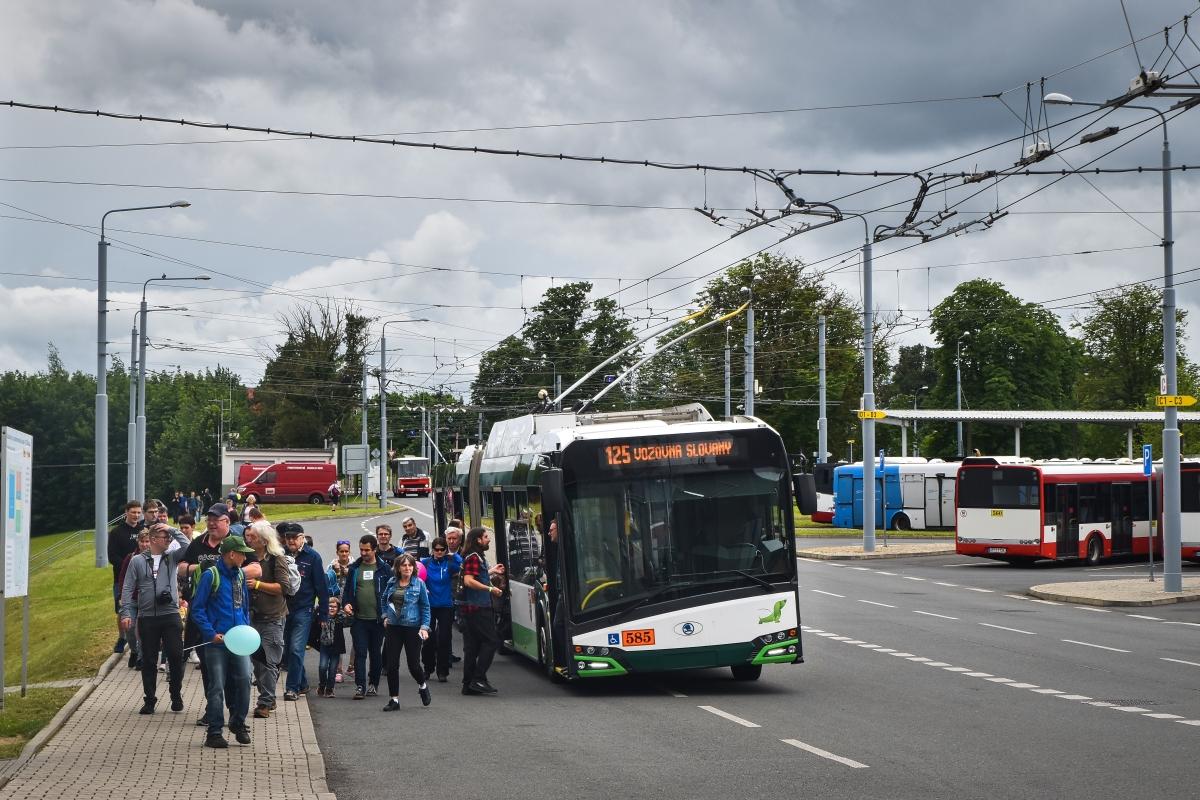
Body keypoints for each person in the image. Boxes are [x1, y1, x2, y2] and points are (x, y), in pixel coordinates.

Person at [181, 503, 261, 721]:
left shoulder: (237, 546)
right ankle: (214, 720)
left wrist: (230, 573)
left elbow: (257, 569)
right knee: (212, 676)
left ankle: (236, 717)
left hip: (237, 632)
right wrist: (202, 570)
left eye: (216, 520)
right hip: (211, 630)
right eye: (209, 520)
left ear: (227, 521)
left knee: (242, 677)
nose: (212, 523)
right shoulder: (199, 544)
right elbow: (182, 569)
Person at [190, 535, 256, 748]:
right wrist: (210, 634)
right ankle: (215, 732)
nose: (245, 557)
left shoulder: (239, 576)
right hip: (216, 642)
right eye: (242, 553)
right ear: (231, 554)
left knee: (245, 679)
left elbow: (244, 606)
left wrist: (246, 628)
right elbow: (197, 609)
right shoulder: (211, 575)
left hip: (240, 641)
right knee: (217, 685)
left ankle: (238, 723)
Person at [119, 516, 190, 714]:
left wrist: (171, 529)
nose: (168, 539)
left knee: (176, 655)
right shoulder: (137, 561)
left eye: (168, 536)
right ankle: (149, 699)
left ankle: (176, 693)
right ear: (152, 539)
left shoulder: (172, 557)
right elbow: (127, 588)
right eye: (163, 536)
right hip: (147, 617)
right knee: (149, 659)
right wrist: (126, 612)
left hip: (170, 614)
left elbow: (187, 545)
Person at [244, 520, 291, 719]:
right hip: (252, 617)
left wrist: (257, 585)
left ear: (263, 540)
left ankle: (264, 703)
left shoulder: (276, 559)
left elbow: (284, 588)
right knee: (257, 663)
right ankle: (268, 697)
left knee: (270, 662)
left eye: (252, 537)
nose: (249, 539)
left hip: (273, 618)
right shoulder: (248, 559)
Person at [279, 521, 329, 701]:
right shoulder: (280, 555)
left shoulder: (312, 557)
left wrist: (324, 614)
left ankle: (292, 689)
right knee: (285, 651)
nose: (290, 541)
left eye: (294, 538)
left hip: (304, 609)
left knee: (296, 649)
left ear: (302, 538)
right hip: (283, 609)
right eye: (288, 538)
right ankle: (303, 683)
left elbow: (321, 588)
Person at [341, 534, 392, 700]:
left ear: (374, 549)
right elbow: (348, 592)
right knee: (360, 653)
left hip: (378, 620)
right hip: (359, 620)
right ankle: (360, 686)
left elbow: (390, 593)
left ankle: (373, 684)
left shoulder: (384, 569)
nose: (363, 553)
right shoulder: (355, 568)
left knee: (375, 653)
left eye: (367, 550)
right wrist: (346, 604)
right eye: (361, 550)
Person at [381, 553, 432, 711]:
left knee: (414, 665)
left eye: (410, 565)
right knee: (392, 665)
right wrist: (384, 616)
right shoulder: (391, 582)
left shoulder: (419, 584)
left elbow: (425, 607)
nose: (407, 568)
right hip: (394, 627)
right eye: (404, 565)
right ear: (398, 568)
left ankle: (422, 685)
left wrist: (424, 627)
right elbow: (383, 600)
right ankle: (394, 700)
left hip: (412, 627)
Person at [459, 527, 505, 696]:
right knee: (492, 641)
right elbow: (469, 581)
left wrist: (491, 572)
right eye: (486, 537)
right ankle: (478, 678)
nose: (489, 540)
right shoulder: (474, 557)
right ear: (478, 540)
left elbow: (477, 576)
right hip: (478, 608)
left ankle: (468, 684)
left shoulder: (474, 556)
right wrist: (490, 589)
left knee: (472, 647)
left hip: (470, 608)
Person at [420, 535, 461, 683]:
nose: (438, 552)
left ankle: (442, 670)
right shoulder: (426, 562)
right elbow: (416, 574)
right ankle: (427, 668)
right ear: (432, 550)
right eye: (436, 550)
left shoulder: (449, 564)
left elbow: (462, 566)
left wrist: (452, 555)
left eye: (442, 550)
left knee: (444, 638)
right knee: (428, 639)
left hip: (446, 606)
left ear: (445, 550)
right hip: (429, 606)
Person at [108, 500, 143, 654]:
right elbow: (112, 556)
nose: (136, 515)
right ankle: (122, 638)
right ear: (126, 513)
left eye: (138, 512)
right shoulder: (116, 532)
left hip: (143, 580)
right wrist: (129, 567)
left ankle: (139, 646)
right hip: (121, 578)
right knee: (122, 610)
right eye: (133, 512)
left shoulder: (144, 530)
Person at [117, 529, 151, 670]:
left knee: (143, 629)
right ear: (138, 542)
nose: (144, 544)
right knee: (130, 628)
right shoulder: (131, 557)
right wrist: (121, 596)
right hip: (132, 599)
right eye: (142, 541)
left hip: (146, 600)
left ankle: (141, 658)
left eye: (147, 541)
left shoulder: (154, 558)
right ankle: (134, 651)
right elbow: (123, 578)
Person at [325, 540, 353, 685]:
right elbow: (328, 586)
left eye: (346, 551)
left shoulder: (354, 566)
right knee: (338, 637)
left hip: (352, 605)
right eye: (341, 551)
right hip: (337, 606)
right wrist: (336, 573)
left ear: (349, 552)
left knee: (356, 636)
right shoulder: (331, 566)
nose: (344, 554)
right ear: (337, 552)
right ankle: (338, 670)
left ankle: (352, 666)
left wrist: (349, 573)